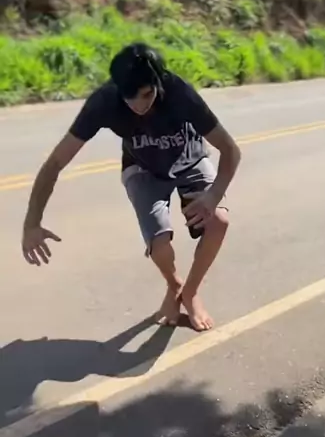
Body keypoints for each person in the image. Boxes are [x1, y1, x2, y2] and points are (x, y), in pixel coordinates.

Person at [21, 43, 241, 332]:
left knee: (219, 221)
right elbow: (54, 164)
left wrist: (213, 196)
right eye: (129, 99)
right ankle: (175, 285)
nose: (138, 106)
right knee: (159, 243)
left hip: (190, 159)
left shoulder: (180, 93)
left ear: (158, 83)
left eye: (147, 95)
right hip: (142, 167)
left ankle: (190, 292)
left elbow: (230, 150)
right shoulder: (104, 101)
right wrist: (32, 222)